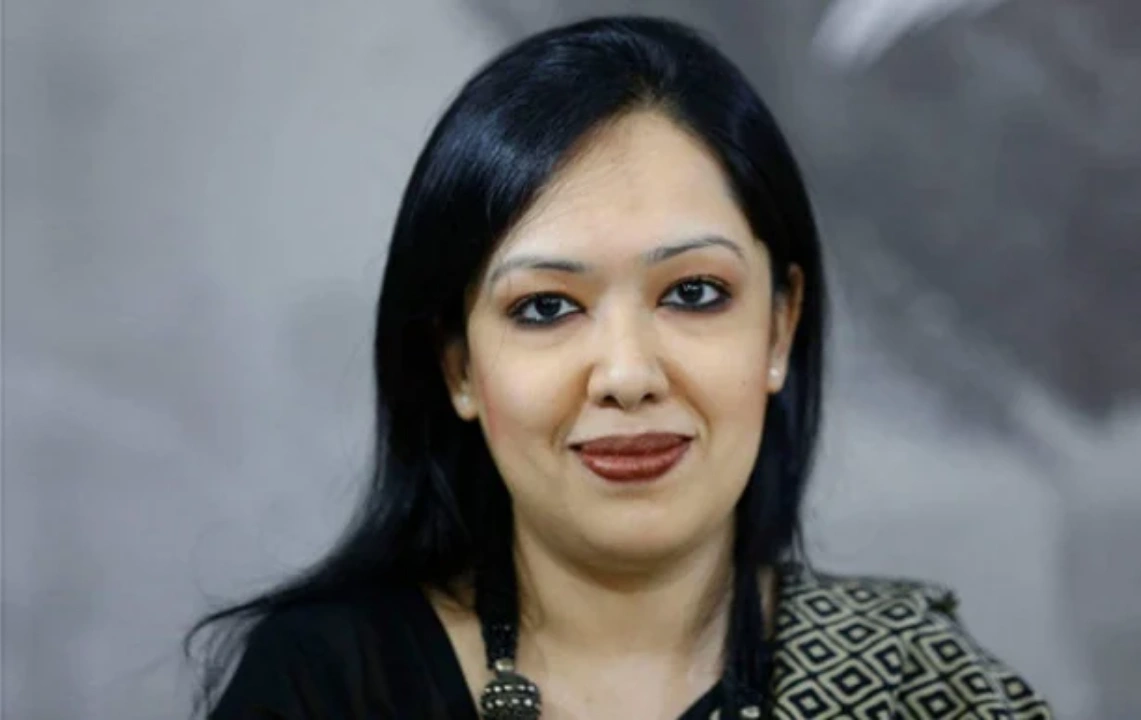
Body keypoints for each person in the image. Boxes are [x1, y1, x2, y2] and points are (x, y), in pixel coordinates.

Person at [188, 15, 1053, 719]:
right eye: (545, 307)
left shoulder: (915, 685)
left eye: (695, 293)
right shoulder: (326, 685)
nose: (628, 375)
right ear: (459, 367)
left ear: (779, 329)